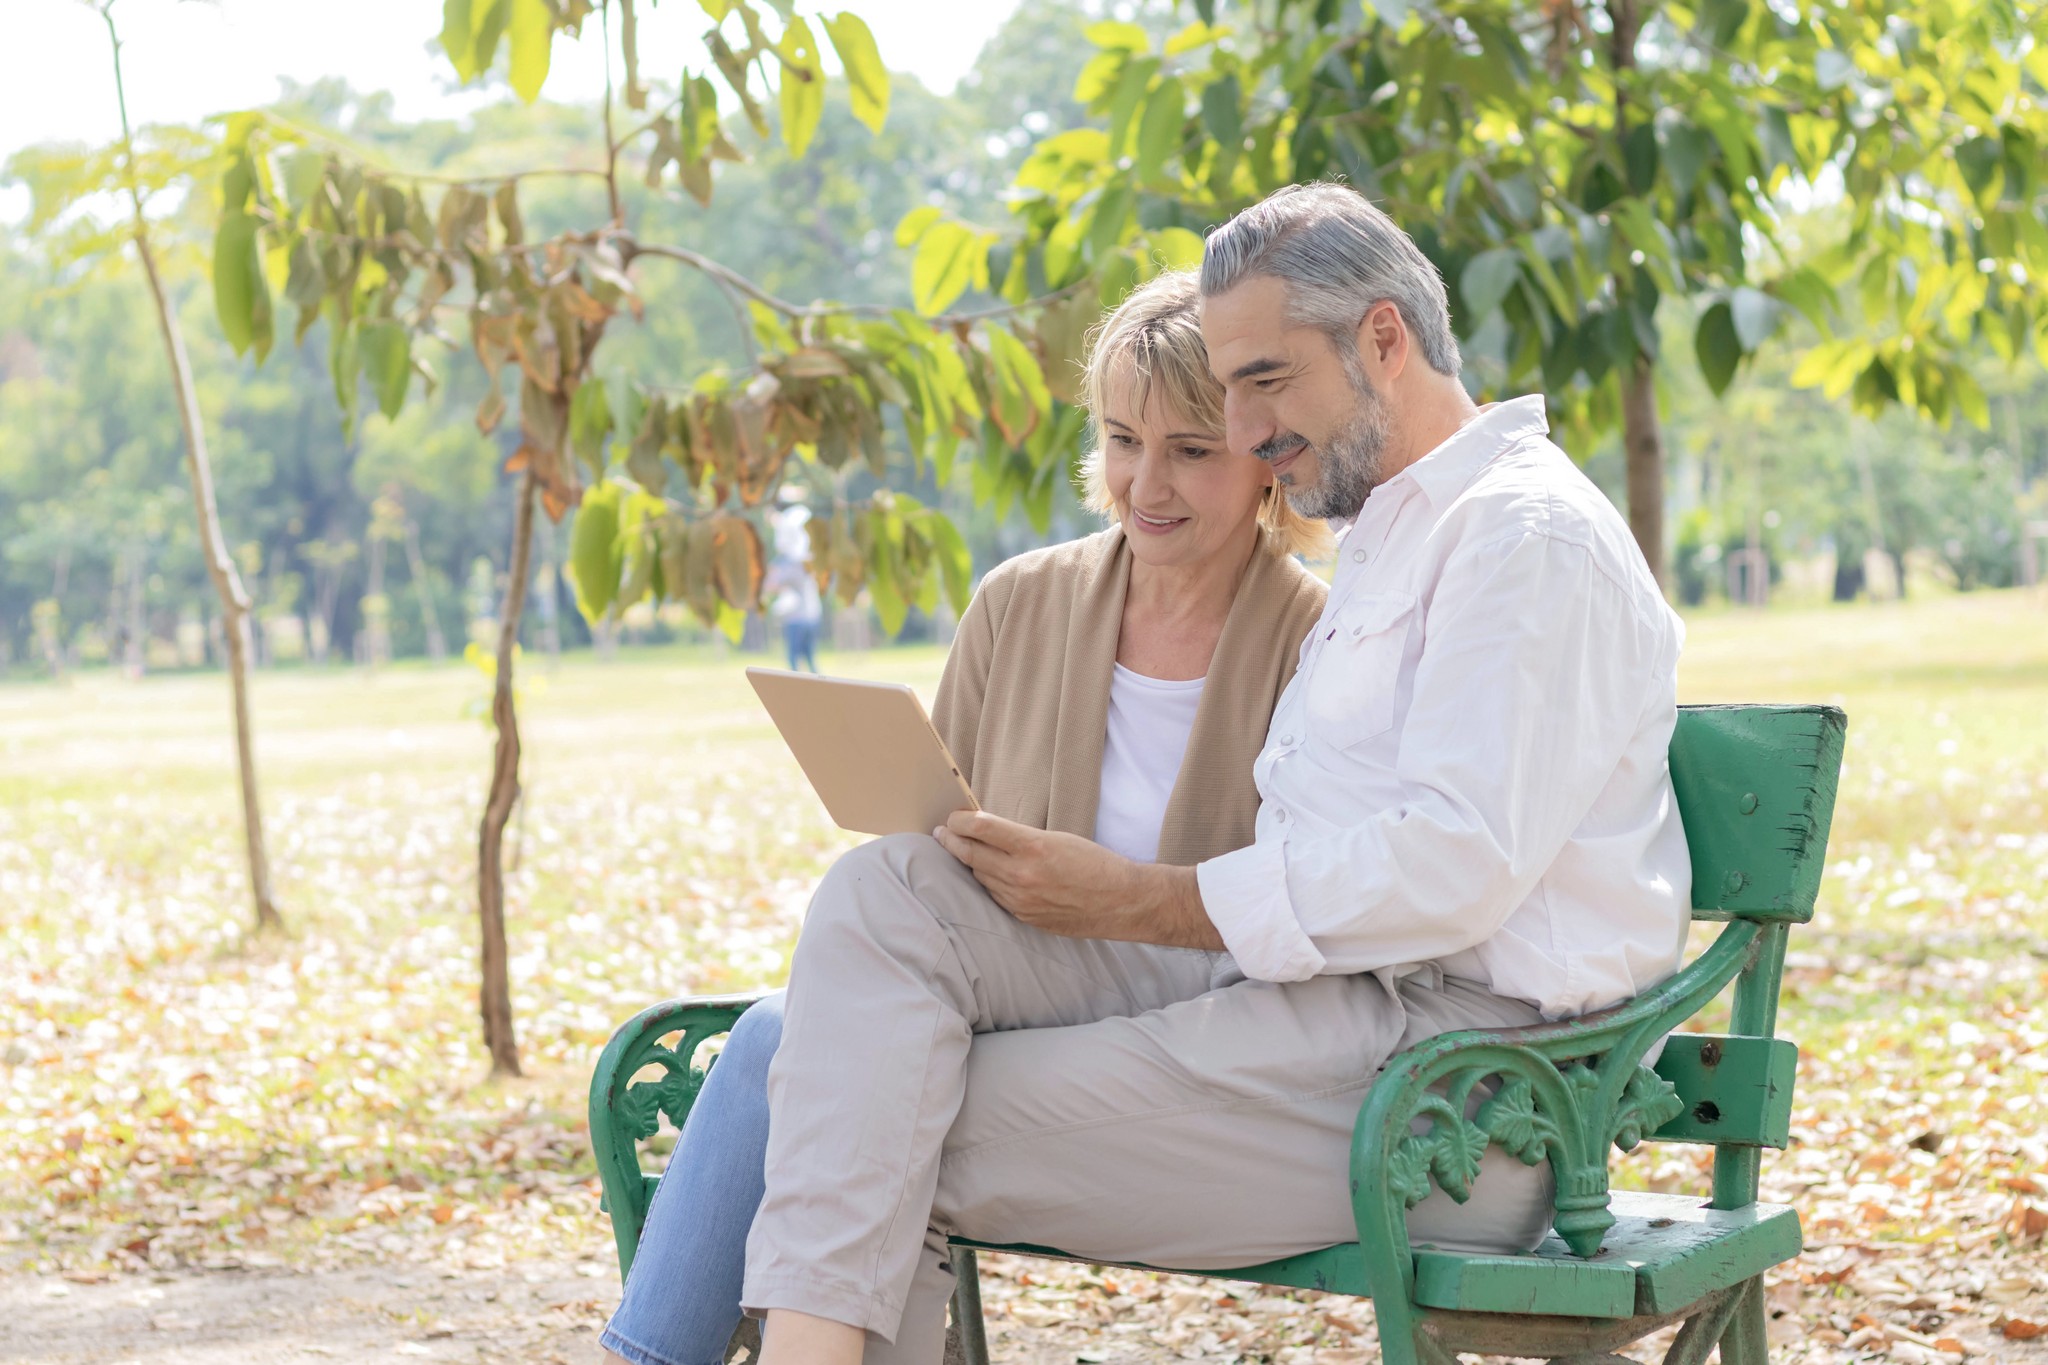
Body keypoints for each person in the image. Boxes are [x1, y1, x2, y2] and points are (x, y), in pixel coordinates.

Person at [722, 182, 1691, 1365]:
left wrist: (1143, 901)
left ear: (1382, 339)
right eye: (1225, 392)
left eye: (1263, 383)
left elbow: (1453, 862)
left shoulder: (1522, 542)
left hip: (1454, 1092)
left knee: (868, 1118)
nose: (1241, 433)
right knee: (887, 893)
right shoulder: (1401, 535)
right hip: (1306, 1016)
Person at [600, 269, 1332, 1365]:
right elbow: (935, 844)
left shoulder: (1313, 635)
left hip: (1187, 1006)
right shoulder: (1018, 602)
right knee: (806, 1015)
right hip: (1008, 971)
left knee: (775, 1043)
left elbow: (1292, 896)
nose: (1146, 483)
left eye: (1192, 449)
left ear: (1263, 456)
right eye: (1123, 440)